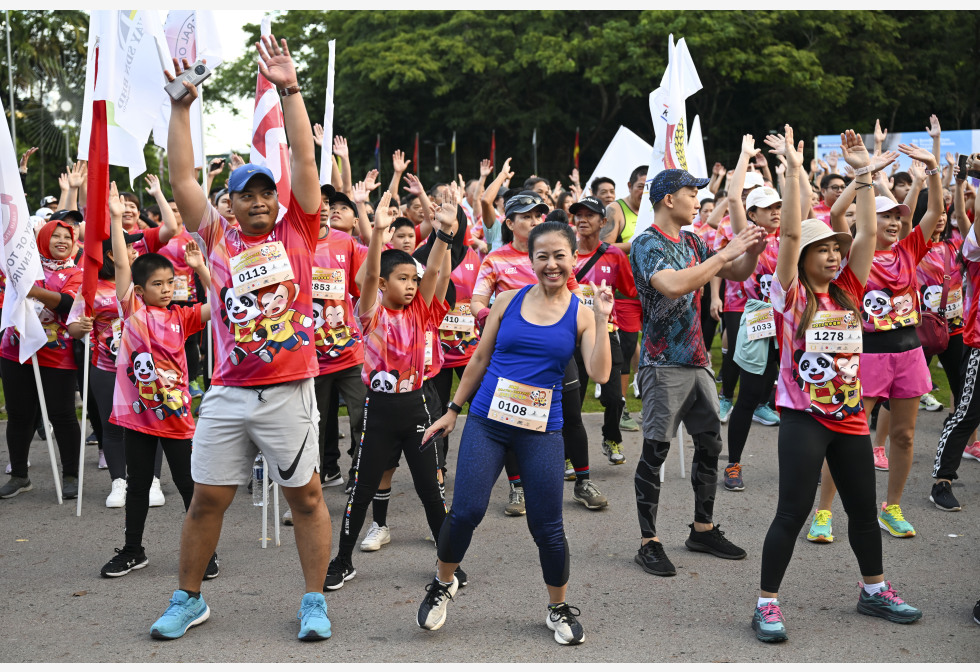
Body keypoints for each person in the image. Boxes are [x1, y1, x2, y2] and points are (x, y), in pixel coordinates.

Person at [150, 39, 333, 642]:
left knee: (305, 498)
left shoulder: (300, 227)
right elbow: (180, 176)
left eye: (264, 193)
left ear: (276, 199)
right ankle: (188, 598)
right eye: (244, 195)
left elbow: (306, 161)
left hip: (288, 392)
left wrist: (290, 89)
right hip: (228, 392)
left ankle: (313, 602)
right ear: (228, 203)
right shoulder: (217, 235)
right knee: (206, 499)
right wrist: (180, 107)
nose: (257, 202)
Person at [753, 125, 921, 643]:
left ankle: (874, 589)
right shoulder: (789, 296)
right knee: (792, 511)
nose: (831, 255)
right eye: (821, 248)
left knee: (863, 511)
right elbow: (786, 235)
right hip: (803, 418)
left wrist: (864, 174)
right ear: (801, 257)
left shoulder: (848, 288)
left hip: (850, 416)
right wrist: (795, 172)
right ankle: (767, 604)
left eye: (834, 248)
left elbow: (867, 234)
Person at [415, 220, 613, 645]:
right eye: (543, 256)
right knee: (466, 510)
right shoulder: (506, 300)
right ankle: (443, 583)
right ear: (531, 259)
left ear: (573, 259)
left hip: (541, 430)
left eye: (560, 255)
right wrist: (452, 411)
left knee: (547, 527)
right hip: (488, 422)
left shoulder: (581, 314)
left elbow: (599, 372)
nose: (551, 264)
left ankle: (557, 608)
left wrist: (601, 318)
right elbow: (480, 358)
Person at [630, 168, 767, 578]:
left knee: (710, 446)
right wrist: (726, 253)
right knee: (655, 451)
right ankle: (648, 542)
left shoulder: (693, 240)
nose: (698, 200)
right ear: (669, 199)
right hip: (662, 365)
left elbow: (738, 274)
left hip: (698, 361)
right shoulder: (646, 244)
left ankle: (702, 529)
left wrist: (753, 248)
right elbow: (672, 286)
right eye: (692, 193)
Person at [813, 130, 943, 540]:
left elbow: (936, 211)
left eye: (896, 216)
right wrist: (862, 174)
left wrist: (935, 171)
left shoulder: (911, 249)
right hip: (864, 353)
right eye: (884, 215)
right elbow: (836, 215)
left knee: (904, 435)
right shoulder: (854, 249)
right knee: (845, 432)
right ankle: (823, 512)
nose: (891, 221)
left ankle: (893, 507)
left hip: (908, 351)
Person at [324, 190, 454, 590]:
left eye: (414, 280)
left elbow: (434, 272)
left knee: (431, 492)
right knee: (360, 492)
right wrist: (378, 233)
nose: (413, 285)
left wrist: (445, 232)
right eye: (403, 279)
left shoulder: (422, 307)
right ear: (383, 283)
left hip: (417, 408)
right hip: (377, 412)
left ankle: (448, 563)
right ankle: (343, 560)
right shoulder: (371, 311)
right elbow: (366, 279)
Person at [93, 183, 216, 580]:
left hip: (177, 415)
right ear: (141, 290)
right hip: (137, 417)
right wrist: (114, 217)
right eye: (158, 285)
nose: (166, 290)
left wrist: (200, 268)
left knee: (186, 484)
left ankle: (205, 552)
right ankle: (133, 549)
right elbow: (125, 268)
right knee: (138, 483)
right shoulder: (130, 310)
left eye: (170, 284)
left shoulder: (182, 317)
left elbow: (219, 303)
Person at [0, 220, 83, 499]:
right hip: (15, 351)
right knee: (19, 415)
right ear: (43, 238)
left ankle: (71, 475)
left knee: (63, 415)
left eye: (67, 237)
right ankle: (20, 476)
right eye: (55, 236)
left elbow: (69, 304)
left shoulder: (76, 273)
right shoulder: (24, 267)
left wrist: (35, 292)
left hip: (57, 355)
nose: (62, 241)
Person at [570, 196, 638, 464]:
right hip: (571, 335)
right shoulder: (567, 253)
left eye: (590, 215)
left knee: (614, 397)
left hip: (606, 332)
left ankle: (611, 437)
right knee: (571, 400)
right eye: (578, 215)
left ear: (604, 222)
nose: (582, 219)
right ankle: (567, 454)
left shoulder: (615, 255)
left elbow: (631, 290)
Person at [930, 154, 980, 511]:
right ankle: (942, 481)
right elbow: (965, 219)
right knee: (966, 413)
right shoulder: (973, 247)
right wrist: (971, 181)